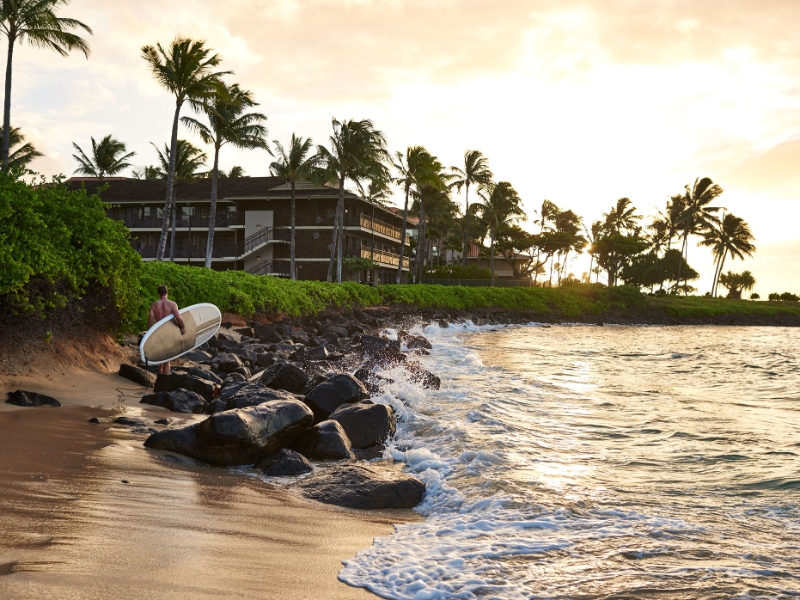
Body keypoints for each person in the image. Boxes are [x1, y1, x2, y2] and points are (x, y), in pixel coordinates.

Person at [147, 285, 186, 375]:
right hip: (169, 332)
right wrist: (183, 327)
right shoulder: (172, 304)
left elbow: (150, 320)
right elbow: (178, 317)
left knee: (161, 354)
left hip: (159, 332)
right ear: (167, 292)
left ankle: (160, 373)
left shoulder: (154, 305)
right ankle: (166, 376)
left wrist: (149, 334)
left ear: (158, 294)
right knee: (167, 357)